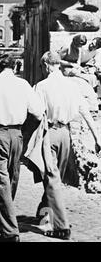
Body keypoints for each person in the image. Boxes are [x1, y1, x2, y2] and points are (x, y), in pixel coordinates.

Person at [35, 52, 101, 240]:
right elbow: (85, 112)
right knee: (55, 177)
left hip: (49, 133)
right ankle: (44, 209)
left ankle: (61, 226)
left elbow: (37, 114)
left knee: (52, 177)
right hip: (66, 135)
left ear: (46, 66)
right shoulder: (72, 86)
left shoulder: (42, 86)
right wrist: (97, 138)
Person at [0, 54, 44, 242]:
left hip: (0, 133)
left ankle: (10, 233)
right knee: (11, 177)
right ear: (15, 67)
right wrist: (24, 132)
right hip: (17, 135)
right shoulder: (24, 85)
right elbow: (38, 113)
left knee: (0, 181)